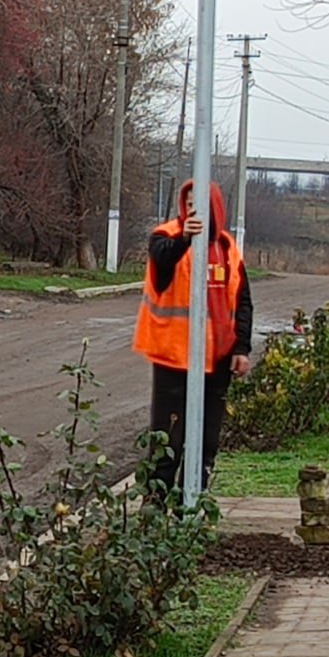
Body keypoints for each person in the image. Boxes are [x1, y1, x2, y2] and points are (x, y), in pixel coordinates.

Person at [133, 179, 253, 497]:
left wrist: (241, 348)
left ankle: (193, 501)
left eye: (198, 204)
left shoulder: (227, 247)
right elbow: (163, 257)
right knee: (168, 436)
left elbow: (242, 301)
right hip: (174, 355)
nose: (192, 210)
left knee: (207, 438)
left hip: (218, 358)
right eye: (188, 204)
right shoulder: (166, 236)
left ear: (214, 205)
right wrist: (186, 239)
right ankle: (155, 505)